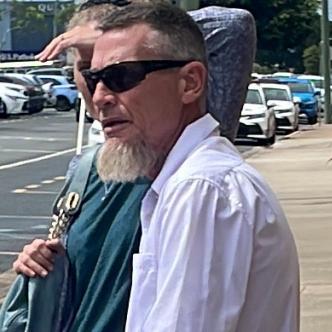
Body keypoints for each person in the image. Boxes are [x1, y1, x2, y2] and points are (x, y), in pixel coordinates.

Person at [12, 1, 299, 332]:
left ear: (190, 83)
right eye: (93, 77)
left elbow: (231, 27)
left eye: (121, 76)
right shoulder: (165, 182)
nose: (101, 96)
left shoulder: (200, 189)